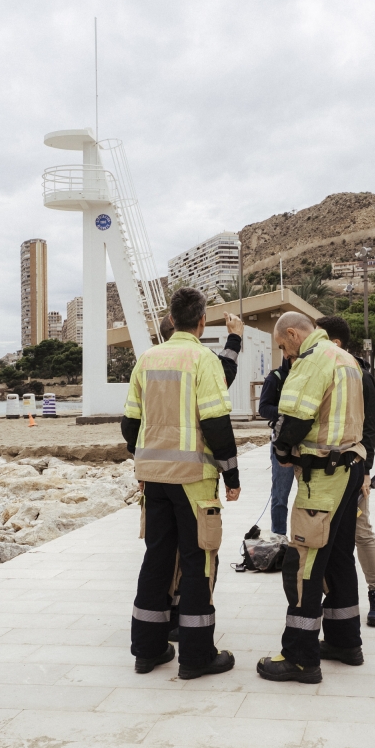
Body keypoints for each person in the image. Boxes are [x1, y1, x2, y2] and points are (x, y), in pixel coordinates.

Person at [121, 287, 240, 679]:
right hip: (194, 480)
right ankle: (196, 656)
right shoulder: (204, 360)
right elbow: (216, 424)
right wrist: (232, 475)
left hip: (153, 480)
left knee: (157, 559)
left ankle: (147, 650)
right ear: (202, 321)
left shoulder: (147, 360)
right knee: (197, 562)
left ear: (171, 319)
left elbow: (130, 424)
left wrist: (143, 457)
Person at [257, 312, 367, 684]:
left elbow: (294, 418)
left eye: (283, 346)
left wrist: (284, 455)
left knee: (302, 565)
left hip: (321, 476)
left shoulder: (312, 359)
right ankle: (344, 642)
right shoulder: (345, 359)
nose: (285, 354)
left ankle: (300, 656)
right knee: (338, 558)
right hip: (349, 468)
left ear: (292, 333)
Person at [316, 316, 375, 627]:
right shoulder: (319, 371)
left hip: (354, 468)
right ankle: (333, 596)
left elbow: (369, 427)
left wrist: (365, 472)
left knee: (361, 531)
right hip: (322, 473)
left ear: (335, 343)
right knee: (323, 536)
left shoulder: (359, 374)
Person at [258, 356, 295, 535]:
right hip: (282, 444)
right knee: (280, 496)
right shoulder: (276, 378)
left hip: (308, 444)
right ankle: (279, 540)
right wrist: (286, 411)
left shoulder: (311, 377)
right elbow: (263, 408)